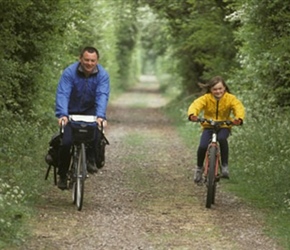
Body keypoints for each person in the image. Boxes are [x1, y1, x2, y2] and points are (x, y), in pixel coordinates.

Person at [55, 46, 110, 190]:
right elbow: (63, 93)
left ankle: (91, 160)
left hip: (91, 112)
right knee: (66, 143)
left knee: (97, 135)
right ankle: (62, 174)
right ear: (80, 59)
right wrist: (62, 114)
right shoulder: (69, 73)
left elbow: (102, 95)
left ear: (97, 61)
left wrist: (100, 116)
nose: (89, 63)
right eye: (86, 60)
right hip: (71, 112)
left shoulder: (102, 75)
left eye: (93, 61)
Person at [187, 76, 245, 183]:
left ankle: (224, 166)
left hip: (224, 126)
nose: (218, 91)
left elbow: (238, 107)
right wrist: (193, 115)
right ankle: (199, 168)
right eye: (215, 89)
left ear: (224, 88)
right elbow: (196, 105)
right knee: (202, 146)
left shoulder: (230, 98)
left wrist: (238, 118)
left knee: (222, 139)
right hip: (208, 126)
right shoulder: (206, 98)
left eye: (220, 88)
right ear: (210, 90)